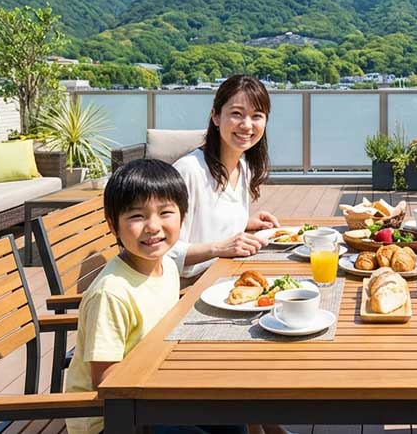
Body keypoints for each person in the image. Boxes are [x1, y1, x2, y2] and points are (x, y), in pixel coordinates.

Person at [65, 158, 245, 434]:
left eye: (165, 213)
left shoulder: (167, 266)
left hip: (152, 396)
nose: (153, 226)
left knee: (233, 420)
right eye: (137, 216)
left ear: (183, 218)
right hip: (113, 419)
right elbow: (107, 382)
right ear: (113, 225)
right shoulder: (111, 294)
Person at [168, 75, 282, 280]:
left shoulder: (244, 166)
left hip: (228, 274)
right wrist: (219, 248)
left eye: (257, 116)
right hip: (190, 288)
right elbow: (165, 250)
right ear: (216, 116)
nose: (247, 125)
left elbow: (207, 224)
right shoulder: (189, 171)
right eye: (236, 114)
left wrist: (243, 223)